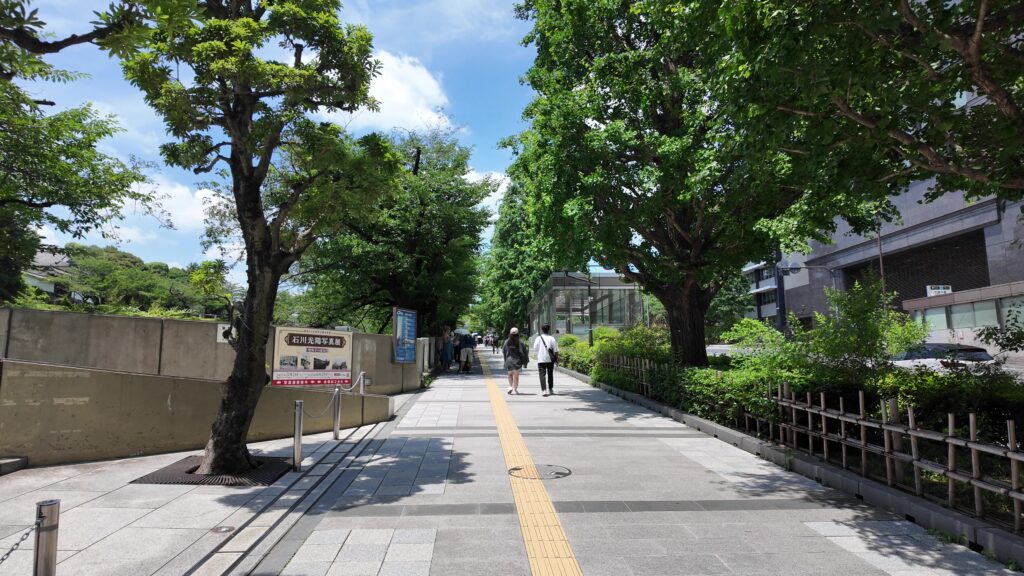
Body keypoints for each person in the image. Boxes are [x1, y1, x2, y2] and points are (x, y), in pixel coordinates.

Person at [533, 323, 560, 397]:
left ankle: (544, 390)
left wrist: (541, 350)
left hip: (541, 359)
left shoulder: (538, 338)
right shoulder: (552, 338)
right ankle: (550, 389)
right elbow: (556, 350)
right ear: (549, 329)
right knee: (550, 374)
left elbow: (535, 348)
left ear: (542, 330)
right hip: (550, 359)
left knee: (542, 375)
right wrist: (556, 359)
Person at [502, 327, 529, 394]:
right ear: (518, 334)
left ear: (510, 333)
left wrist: (505, 360)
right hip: (517, 361)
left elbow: (504, 351)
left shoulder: (507, 341)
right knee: (516, 376)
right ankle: (515, 389)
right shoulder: (520, 342)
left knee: (510, 374)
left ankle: (510, 386)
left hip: (509, 361)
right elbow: (524, 352)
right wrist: (525, 362)